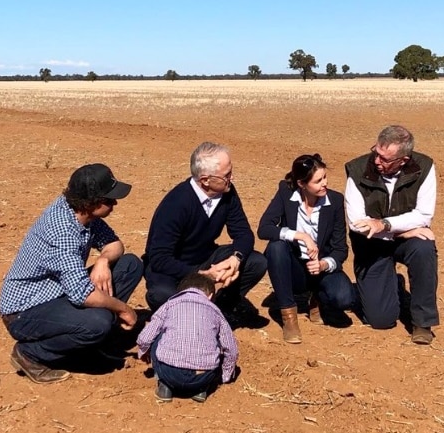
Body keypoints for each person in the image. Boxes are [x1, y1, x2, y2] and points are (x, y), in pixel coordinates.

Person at [0, 163, 143, 383]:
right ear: (91, 203)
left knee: (130, 265)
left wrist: (103, 260)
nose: (115, 203)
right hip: (25, 312)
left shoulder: (83, 215)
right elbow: (81, 295)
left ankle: (88, 343)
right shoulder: (62, 231)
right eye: (109, 199)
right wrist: (123, 308)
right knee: (99, 322)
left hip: (57, 293)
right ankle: (31, 354)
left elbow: (115, 245)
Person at [143, 142, 268, 327]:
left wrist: (235, 260)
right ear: (205, 180)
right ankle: (180, 320)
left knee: (256, 262)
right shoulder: (177, 204)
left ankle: (219, 307)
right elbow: (159, 258)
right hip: (173, 268)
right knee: (161, 294)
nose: (231, 178)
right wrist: (201, 275)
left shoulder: (227, 193)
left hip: (204, 257)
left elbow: (243, 234)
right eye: (226, 175)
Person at [344, 125, 439, 345]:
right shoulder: (357, 170)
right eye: (376, 153)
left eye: (385, 159)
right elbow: (358, 224)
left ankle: (422, 323)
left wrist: (386, 225)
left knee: (423, 246)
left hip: (398, 236)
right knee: (381, 320)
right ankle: (389, 285)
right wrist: (401, 232)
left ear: (403, 160)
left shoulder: (424, 167)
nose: (377, 161)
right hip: (371, 245)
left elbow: (424, 215)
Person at [257, 154, 357, 343]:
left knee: (344, 299)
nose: (324, 183)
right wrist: (300, 235)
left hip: (320, 270)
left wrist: (324, 264)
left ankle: (317, 299)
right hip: (295, 267)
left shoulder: (334, 201)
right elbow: (264, 229)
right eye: (318, 181)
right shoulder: (286, 193)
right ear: (302, 184)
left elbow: (340, 248)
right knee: (276, 247)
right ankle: (289, 317)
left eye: (325, 177)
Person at [137, 272, 239, 403]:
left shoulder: (169, 305)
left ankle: (165, 386)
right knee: (215, 340)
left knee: (159, 335)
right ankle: (200, 390)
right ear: (210, 296)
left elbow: (144, 338)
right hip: (203, 376)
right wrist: (226, 376)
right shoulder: (215, 311)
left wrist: (143, 352)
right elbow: (231, 349)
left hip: (169, 373)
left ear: (180, 292)